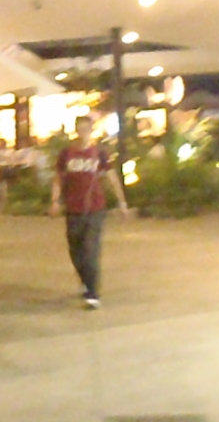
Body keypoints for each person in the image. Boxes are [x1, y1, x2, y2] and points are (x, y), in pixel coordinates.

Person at [49, 115, 130, 309]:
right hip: (73, 209)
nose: (83, 133)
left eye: (86, 129)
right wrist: (54, 200)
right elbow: (58, 178)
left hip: (95, 208)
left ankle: (93, 293)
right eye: (80, 129)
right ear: (76, 131)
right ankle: (85, 280)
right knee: (76, 250)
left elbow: (111, 177)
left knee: (90, 250)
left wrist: (122, 202)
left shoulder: (99, 154)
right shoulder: (67, 154)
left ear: (91, 131)